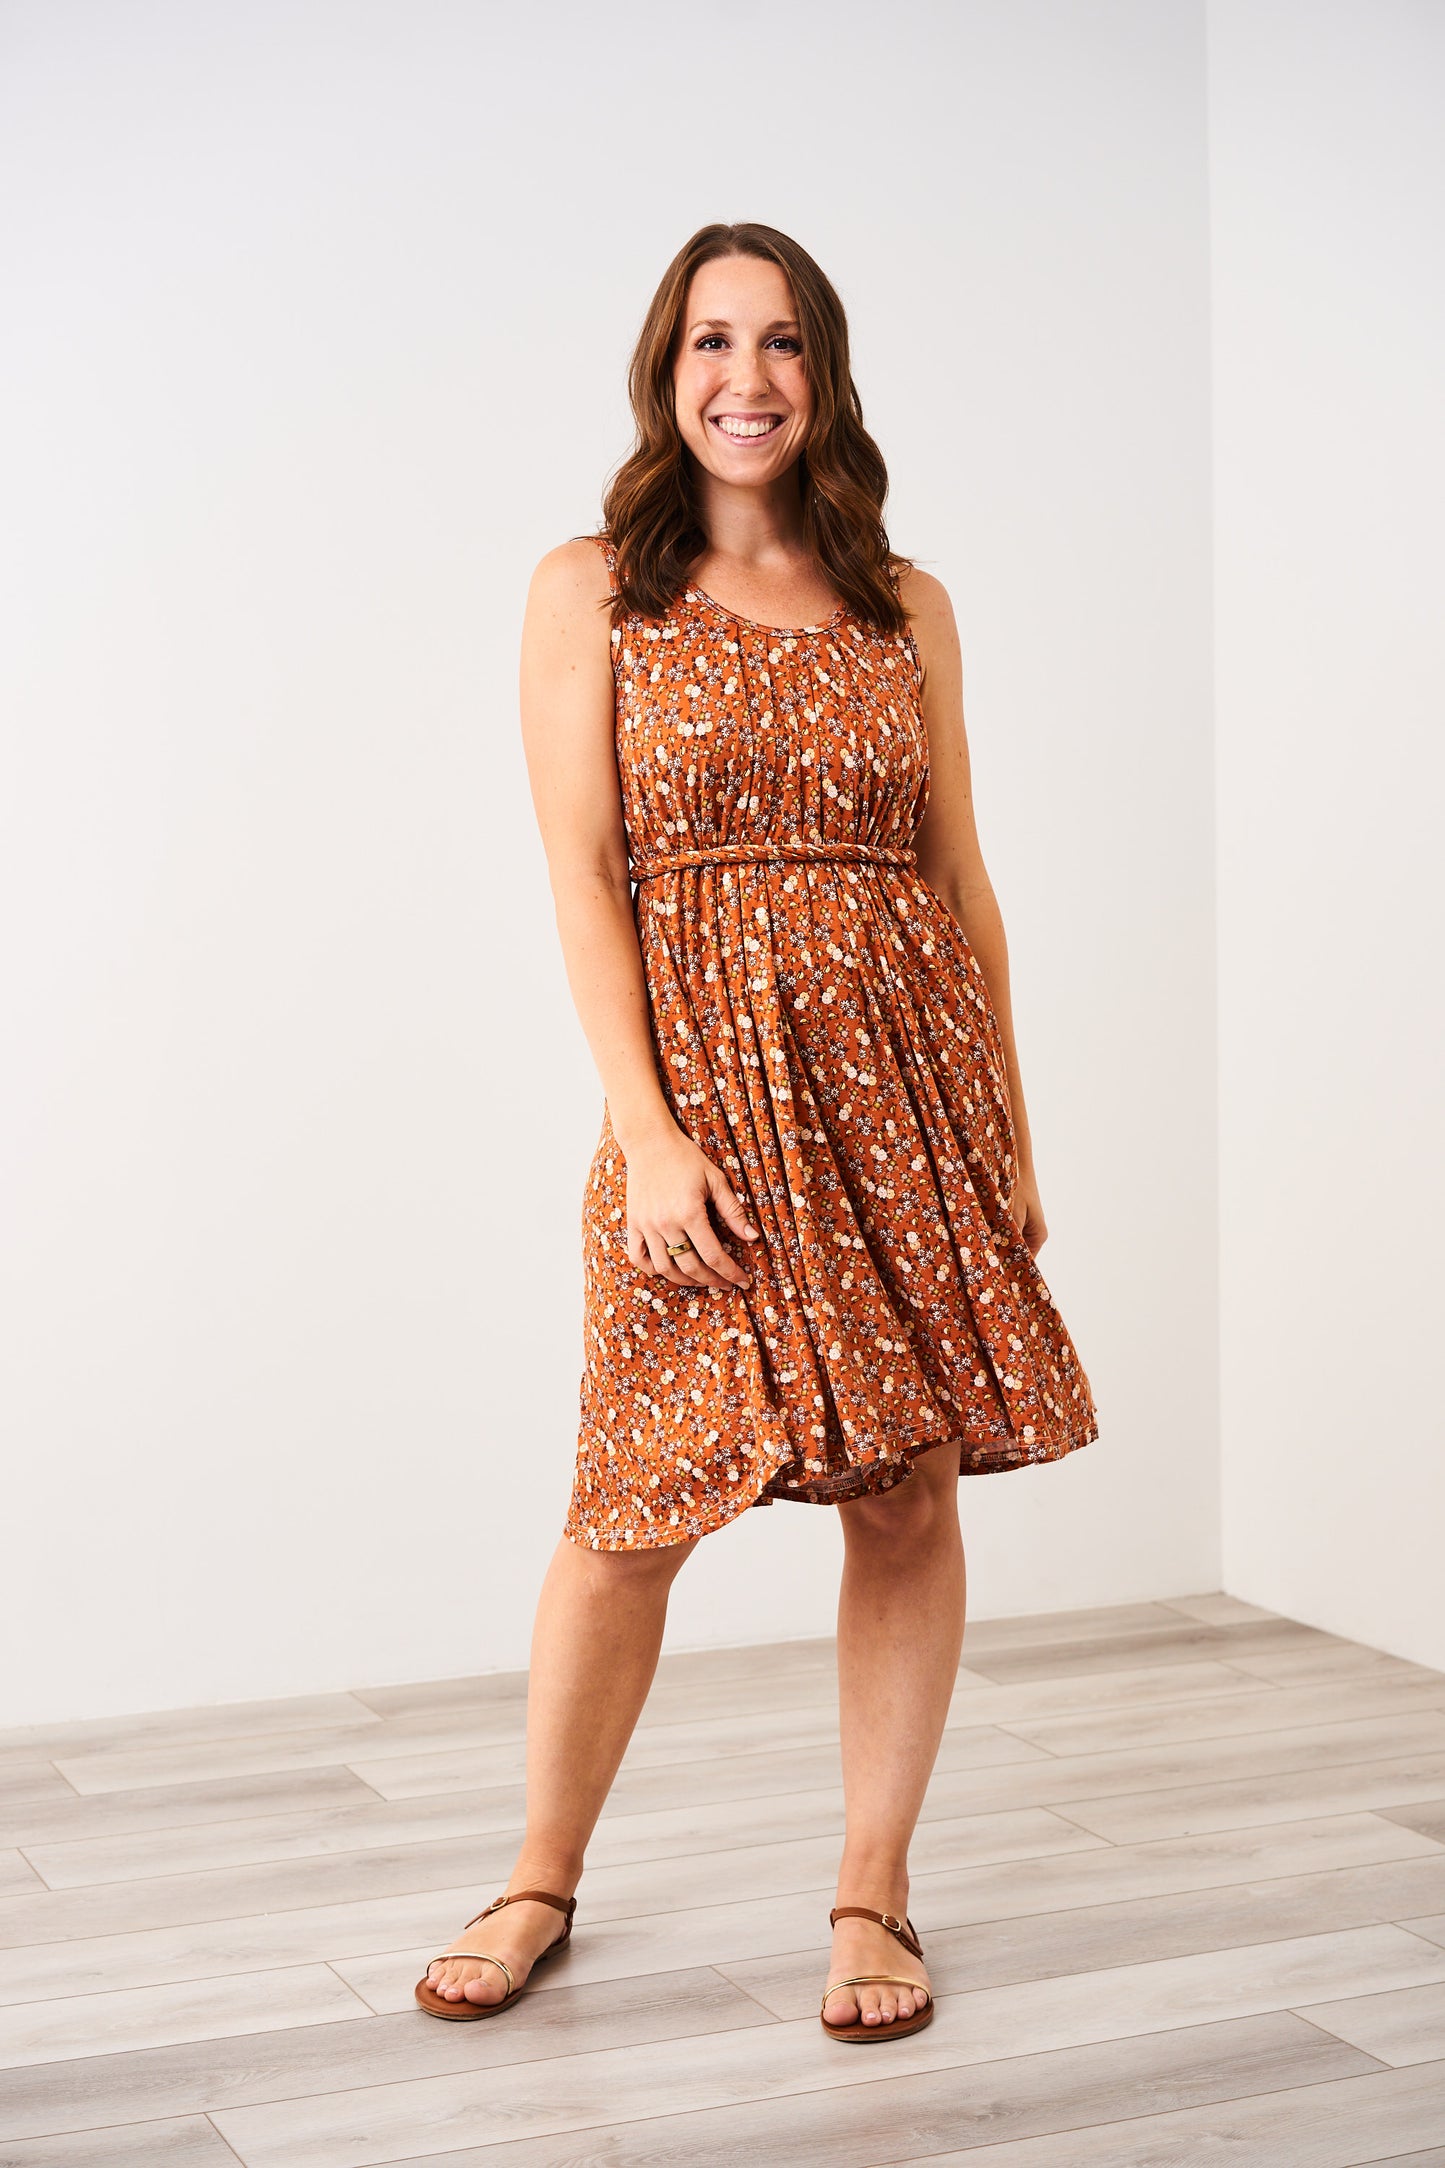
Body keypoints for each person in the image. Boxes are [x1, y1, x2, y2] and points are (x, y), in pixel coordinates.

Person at [415, 222, 1099, 2041]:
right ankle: (538, 1874)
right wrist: (643, 1129)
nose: (748, 377)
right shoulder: (592, 592)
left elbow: (961, 882)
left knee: (903, 1494)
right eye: (713, 340)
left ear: (827, 373)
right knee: (629, 1510)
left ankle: (873, 1897)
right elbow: (578, 874)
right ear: (665, 369)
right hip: (704, 1108)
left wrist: (1008, 1133)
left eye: (783, 342)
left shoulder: (905, 605)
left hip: (910, 1098)